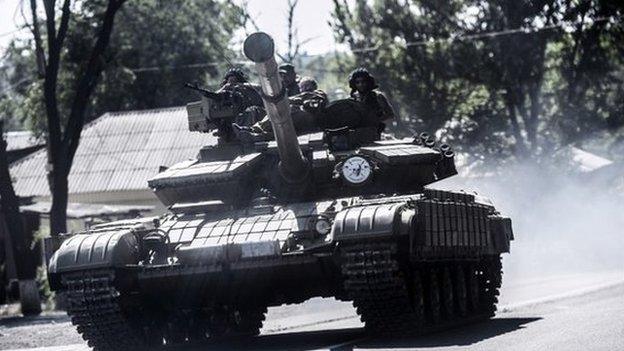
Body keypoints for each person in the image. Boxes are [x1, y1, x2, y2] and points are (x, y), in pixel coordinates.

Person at [347, 67, 396, 132]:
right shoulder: (352, 99)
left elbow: (390, 115)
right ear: (354, 84)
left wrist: (375, 120)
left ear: (368, 82)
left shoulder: (378, 96)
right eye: (357, 82)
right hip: (357, 132)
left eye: (363, 82)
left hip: (374, 131)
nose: (360, 84)